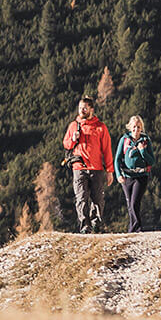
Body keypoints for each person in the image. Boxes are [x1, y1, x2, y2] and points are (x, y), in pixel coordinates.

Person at [61, 96, 113, 233]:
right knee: (81, 198)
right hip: (79, 167)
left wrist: (110, 170)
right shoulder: (74, 126)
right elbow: (66, 144)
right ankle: (85, 227)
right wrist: (73, 139)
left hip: (96, 168)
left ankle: (95, 223)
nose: (81, 110)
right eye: (80, 108)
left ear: (91, 109)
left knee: (98, 200)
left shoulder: (100, 127)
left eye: (84, 108)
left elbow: (107, 149)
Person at [115, 114, 156, 233]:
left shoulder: (146, 140)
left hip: (141, 176)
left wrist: (143, 151)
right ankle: (132, 229)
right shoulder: (124, 140)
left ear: (141, 128)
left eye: (138, 127)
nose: (136, 129)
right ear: (130, 127)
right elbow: (117, 158)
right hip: (127, 177)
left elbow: (152, 161)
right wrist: (118, 174)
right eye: (134, 127)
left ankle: (136, 228)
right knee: (130, 205)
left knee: (134, 203)